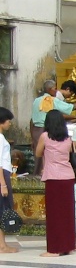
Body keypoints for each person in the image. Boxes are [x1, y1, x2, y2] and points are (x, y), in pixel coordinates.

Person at [30, 80, 76, 175]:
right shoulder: (50, 100)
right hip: (45, 129)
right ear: (49, 90)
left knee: (39, 156)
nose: (56, 91)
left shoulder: (36, 100)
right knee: (48, 154)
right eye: (54, 89)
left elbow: (32, 119)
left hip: (36, 130)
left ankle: (38, 174)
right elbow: (71, 107)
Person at [35, 110, 75, 257]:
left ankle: (55, 248)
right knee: (67, 214)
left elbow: (38, 153)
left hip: (53, 177)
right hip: (67, 177)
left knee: (54, 214)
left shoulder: (45, 137)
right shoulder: (68, 139)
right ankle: (67, 246)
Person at [0, 107, 18, 253]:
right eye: (8, 121)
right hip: (2, 174)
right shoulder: (0, 138)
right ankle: (2, 245)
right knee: (3, 209)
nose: (10, 124)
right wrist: (3, 184)